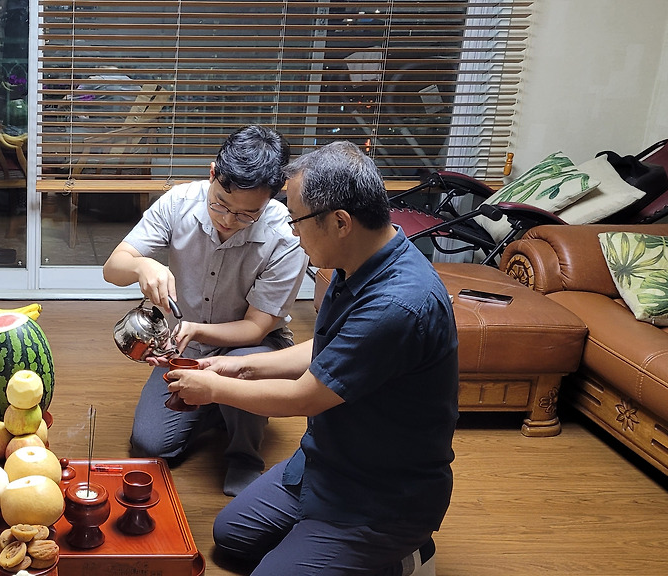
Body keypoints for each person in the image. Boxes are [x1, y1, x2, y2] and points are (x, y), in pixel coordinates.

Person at [165, 141, 458, 575]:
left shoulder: (398, 304)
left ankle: (402, 556)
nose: (292, 232)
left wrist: (213, 389)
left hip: (380, 496)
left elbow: (305, 397)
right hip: (326, 462)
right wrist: (234, 365)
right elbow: (326, 349)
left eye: (297, 219)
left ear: (340, 222)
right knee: (231, 536)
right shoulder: (357, 260)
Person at [102, 125, 309, 496]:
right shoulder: (179, 203)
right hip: (187, 348)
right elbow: (112, 269)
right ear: (213, 173)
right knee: (151, 446)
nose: (228, 220)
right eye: (221, 204)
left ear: (271, 197)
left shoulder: (286, 235)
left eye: (247, 214)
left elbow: (255, 327)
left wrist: (196, 329)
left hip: (250, 344)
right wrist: (140, 265)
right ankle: (221, 405)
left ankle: (245, 454)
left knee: (244, 364)